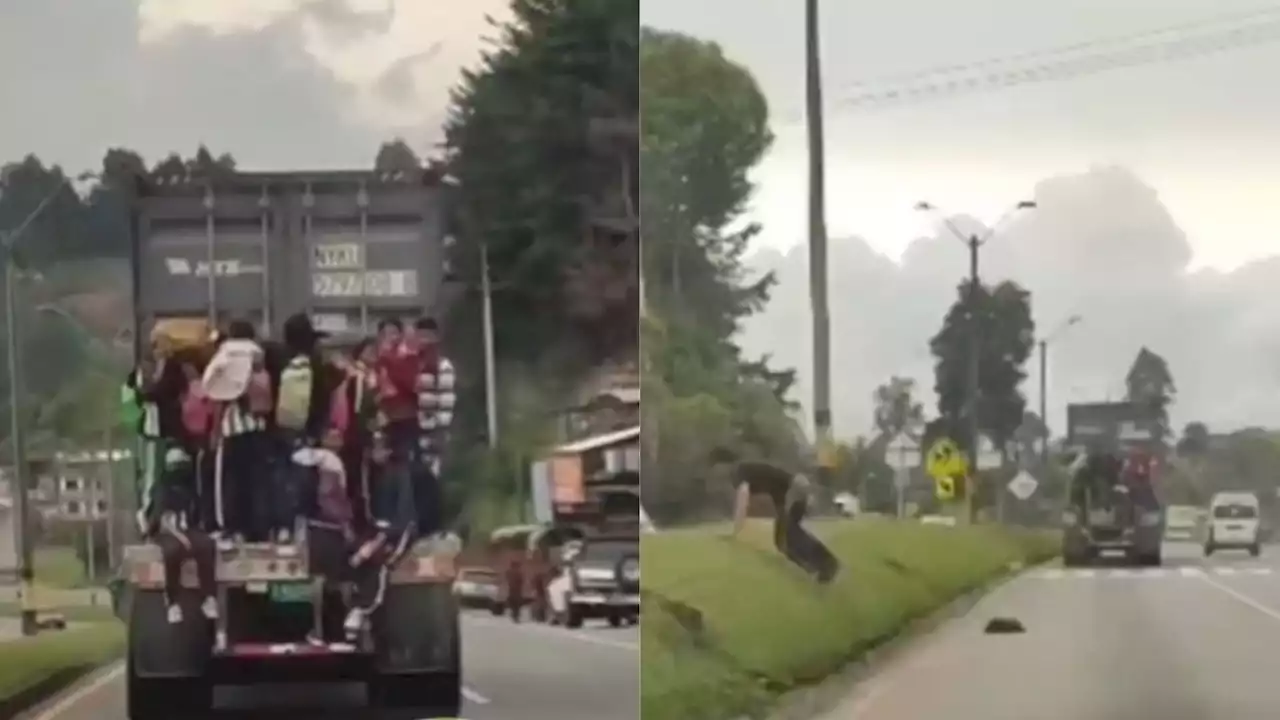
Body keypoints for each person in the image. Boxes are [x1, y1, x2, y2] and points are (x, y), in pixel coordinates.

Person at [710, 447, 838, 584]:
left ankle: (827, 563)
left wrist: (734, 531)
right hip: (793, 488)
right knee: (781, 541)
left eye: (715, 468)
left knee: (790, 533)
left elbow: (743, 498)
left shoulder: (738, 470)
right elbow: (773, 484)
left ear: (722, 464)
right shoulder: (744, 469)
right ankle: (817, 568)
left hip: (795, 487)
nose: (716, 473)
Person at [203, 319, 273, 544]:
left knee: (231, 481)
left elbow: (215, 394)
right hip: (258, 426)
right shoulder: (259, 358)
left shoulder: (225, 357)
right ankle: (259, 529)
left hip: (232, 428)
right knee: (257, 480)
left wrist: (215, 432)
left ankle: (233, 528)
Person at [272, 313, 338, 542]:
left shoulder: (277, 359)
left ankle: (282, 526)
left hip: (280, 430)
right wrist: (317, 430)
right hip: (306, 431)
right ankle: (305, 523)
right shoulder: (315, 363)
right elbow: (323, 398)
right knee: (306, 477)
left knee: (281, 478)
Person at [146, 447, 219, 625]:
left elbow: (198, 514)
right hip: (166, 530)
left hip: (188, 528)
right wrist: (180, 538)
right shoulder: (161, 488)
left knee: (206, 545)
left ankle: (209, 598)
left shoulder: (191, 488)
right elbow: (160, 518)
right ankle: (173, 604)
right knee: (173, 551)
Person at [411, 317, 455, 537]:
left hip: (433, 436)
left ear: (436, 338)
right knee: (415, 488)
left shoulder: (442, 366)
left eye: (427, 335)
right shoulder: (411, 364)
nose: (423, 340)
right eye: (420, 335)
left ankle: (434, 531)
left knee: (432, 485)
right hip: (413, 436)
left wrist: (441, 434)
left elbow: (446, 402)